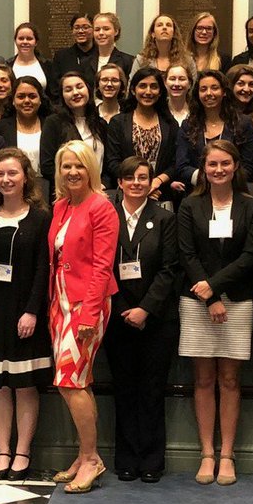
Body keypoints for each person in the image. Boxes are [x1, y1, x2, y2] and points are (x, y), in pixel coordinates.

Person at [179, 140, 253, 487]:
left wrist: (215, 288)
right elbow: (187, 253)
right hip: (197, 300)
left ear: (235, 166)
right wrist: (208, 295)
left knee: (230, 380)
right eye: (212, 164)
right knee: (202, 379)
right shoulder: (190, 205)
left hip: (237, 300)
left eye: (225, 164)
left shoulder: (251, 206)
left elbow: (250, 255)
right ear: (204, 168)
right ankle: (207, 454)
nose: (218, 170)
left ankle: (227, 454)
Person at [0, 148, 52, 481]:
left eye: (13, 173)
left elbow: (42, 269)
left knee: (24, 385)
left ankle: (23, 451)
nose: (6, 179)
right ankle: (3, 450)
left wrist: (32, 311)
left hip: (25, 314)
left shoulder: (40, 219)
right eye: (0, 174)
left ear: (25, 177)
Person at [47, 140, 119, 494]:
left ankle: (92, 459)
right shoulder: (61, 206)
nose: (72, 172)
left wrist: (89, 313)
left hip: (87, 306)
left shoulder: (102, 208)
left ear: (91, 168)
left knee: (68, 380)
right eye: (66, 166)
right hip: (60, 305)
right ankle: (83, 453)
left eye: (79, 166)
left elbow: (103, 267)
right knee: (78, 382)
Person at [105, 157, 181, 483]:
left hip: (156, 320)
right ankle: (126, 458)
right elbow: (102, 267)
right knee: (123, 390)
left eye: (143, 177)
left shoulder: (164, 218)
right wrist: (124, 308)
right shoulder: (106, 217)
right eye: (130, 177)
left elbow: (170, 269)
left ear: (151, 182)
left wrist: (145, 309)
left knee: (151, 390)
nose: (137, 182)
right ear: (119, 182)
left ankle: (152, 460)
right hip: (117, 316)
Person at [174, 70, 253, 187]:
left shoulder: (243, 123)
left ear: (224, 92)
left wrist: (223, 180)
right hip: (197, 192)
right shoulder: (188, 125)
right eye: (203, 89)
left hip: (234, 190)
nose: (209, 93)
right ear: (197, 94)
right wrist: (208, 179)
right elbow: (181, 166)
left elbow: (249, 167)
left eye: (214, 88)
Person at [104, 67, 178, 200]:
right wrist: (138, 183)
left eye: (154, 87)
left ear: (160, 92)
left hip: (160, 193)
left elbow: (175, 162)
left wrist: (156, 182)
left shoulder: (170, 124)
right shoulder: (118, 122)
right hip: (128, 191)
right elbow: (112, 162)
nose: (148, 92)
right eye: (142, 86)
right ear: (133, 90)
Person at [40, 72, 107, 184]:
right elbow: (47, 166)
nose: (75, 92)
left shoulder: (100, 124)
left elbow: (107, 165)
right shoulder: (53, 123)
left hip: (98, 192)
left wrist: (101, 184)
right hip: (67, 191)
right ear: (62, 96)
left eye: (79, 87)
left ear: (88, 90)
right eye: (68, 89)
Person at [0, 76, 46, 177]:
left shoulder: (50, 125)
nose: (26, 101)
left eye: (32, 96)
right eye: (21, 96)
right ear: (13, 100)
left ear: (40, 100)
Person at [130, 13, 193, 78]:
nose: (164, 27)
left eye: (168, 25)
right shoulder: (141, 60)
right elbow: (132, 86)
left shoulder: (187, 60)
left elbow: (193, 87)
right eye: (160, 25)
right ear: (153, 34)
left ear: (174, 33)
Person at [51, 13, 97, 88]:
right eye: (76, 27)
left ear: (94, 30)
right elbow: (55, 87)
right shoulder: (61, 57)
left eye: (85, 27)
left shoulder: (101, 54)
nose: (80, 31)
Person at [91, 12, 134, 77]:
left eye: (106, 29)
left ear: (116, 31)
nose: (101, 33)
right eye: (97, 29)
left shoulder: (128, 61)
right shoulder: (85, 62)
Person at [225, 64, 253, 128]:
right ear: (230, 85)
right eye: (241, 84)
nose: (246, 89)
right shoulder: (221, 114)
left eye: (251, 84)